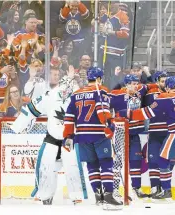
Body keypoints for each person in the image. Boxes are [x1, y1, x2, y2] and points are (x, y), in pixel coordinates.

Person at [119, 76, 175, 201]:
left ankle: (166, 190)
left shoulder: (164, 97)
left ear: (167, 87)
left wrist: (126, 113)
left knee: (163, 159)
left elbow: (146, 113)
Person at [10, 75, 80, 205]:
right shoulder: (51, 95)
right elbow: (30, 109)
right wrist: (17, 126)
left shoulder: (78, 96)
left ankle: (77, 196)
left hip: (71, 140)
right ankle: (45, 195)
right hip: (53, 139)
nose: (65, 90)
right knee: (46, 167)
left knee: (73, 168)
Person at [63, 67, 123, 210]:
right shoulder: (101, 90)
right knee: (106, 162)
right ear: (99, 78)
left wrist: (68, 136)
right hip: (99, 133)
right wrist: (110, 125)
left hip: (82, 135)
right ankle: (108, 194)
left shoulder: (76, 94)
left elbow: (69, 116)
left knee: (92, 165)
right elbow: (102, 111)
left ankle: (98, 196)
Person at [109, 74, 148, 199]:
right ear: (126, 84)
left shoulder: (139, 93)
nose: (135, 86)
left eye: (136, 83)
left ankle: (136, 187)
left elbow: (149, 86)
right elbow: (105, 103)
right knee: (118, 162)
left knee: (136, 161)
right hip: (121, 133)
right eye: (132, 83)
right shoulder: (117, 95)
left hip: (135, 134)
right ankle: (114, 189)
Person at [143, 71, 168, 198]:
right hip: (154, 132)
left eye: (166, 81)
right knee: (153, 160)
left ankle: (165, 188)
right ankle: (154, 187)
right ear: (157, 81)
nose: (165, 83)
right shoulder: (151, 94)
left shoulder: (171, 93)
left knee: (166, 161)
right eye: (162, 81)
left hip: (168, 132)